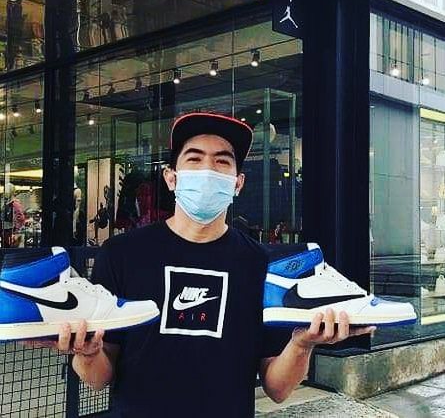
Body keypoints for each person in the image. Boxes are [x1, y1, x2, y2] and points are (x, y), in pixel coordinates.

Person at [35, 113, 375, 418]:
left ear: (238, 183)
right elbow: (99, 378)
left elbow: (277, 388)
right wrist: (86, 353)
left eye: (222, 162)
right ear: (171, 178)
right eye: (194, 159)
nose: (208, 170)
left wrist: (302, 344)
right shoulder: (121, 253)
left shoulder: (263, 266)